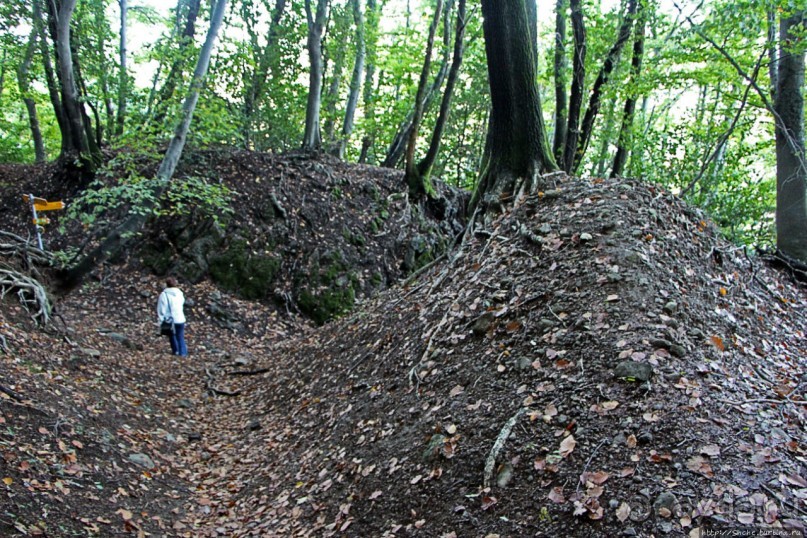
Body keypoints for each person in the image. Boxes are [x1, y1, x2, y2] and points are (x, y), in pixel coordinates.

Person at [157, 277, 187, 356]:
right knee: (180, 336)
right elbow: (182, 303)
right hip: (180, 318)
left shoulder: (164, 295)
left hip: (170, 319)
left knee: (172, 335)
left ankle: (176, 351)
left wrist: (161, 320)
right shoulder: (180, 293)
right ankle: (183, 353)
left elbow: (161, 309)